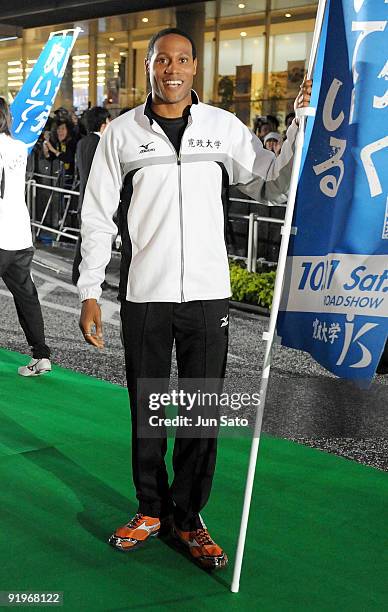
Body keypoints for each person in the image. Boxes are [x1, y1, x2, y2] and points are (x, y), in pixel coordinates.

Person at [77, 28, 311, 570]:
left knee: (203, 411)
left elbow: (272, 186)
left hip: (208, 294)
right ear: (150, 66)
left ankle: (188, 517)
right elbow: (95, 214)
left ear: (195, 68)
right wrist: (90, 290)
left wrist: (298, 123)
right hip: (144, 294)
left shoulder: (223, 129)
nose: (173, 69)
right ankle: (151, 508)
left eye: (183, 59)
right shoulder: (122, 135)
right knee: (148, 408)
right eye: (163, 59)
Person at [0, 97, 51, 376]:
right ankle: (41, 355)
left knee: (26, 296)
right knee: (26, 296)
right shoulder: (20, 147)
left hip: (0, 235)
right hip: (20, 234)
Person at [72, 106, 111, 285]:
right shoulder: (101, 144)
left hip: (83, 198)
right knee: (96, 243)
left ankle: (77, 275)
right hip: (97, 199)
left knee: (84, 240)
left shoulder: (82, 142)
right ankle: (96, 280)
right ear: (103, 124)